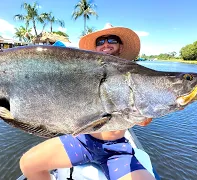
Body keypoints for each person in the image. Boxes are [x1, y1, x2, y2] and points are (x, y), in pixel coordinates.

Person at [19, 24, 155, 180]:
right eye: (100, 41)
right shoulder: (81, 74)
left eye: (112, 39)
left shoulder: (135, 76)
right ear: (95, 48)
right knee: (28, 163)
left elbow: (145, 121)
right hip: (83, 141)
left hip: (116, 150)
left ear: (121, 46)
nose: (105, 44)